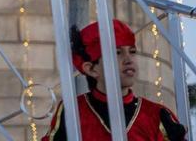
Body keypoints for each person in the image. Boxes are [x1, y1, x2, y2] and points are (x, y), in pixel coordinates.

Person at [40, 19, 186, 140]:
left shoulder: (157, 115)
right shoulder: (73, 110)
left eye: (132, 52)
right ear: (90, 69)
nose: (128, 59)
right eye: (117, 53)